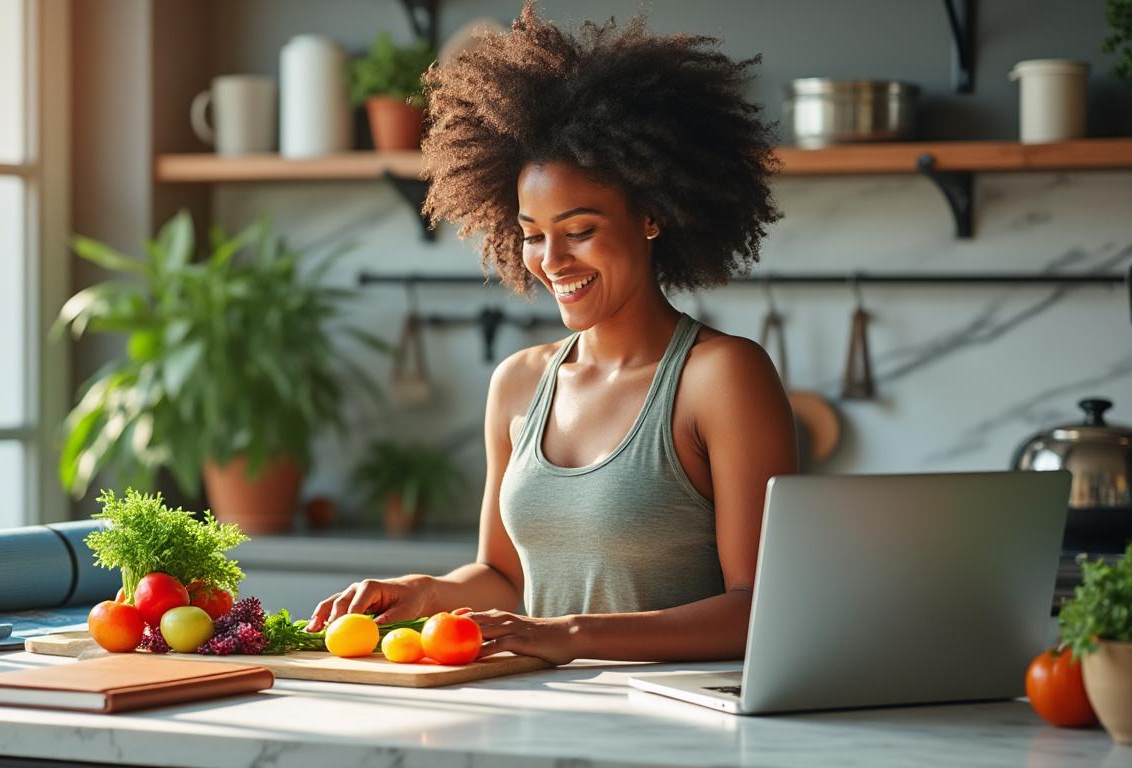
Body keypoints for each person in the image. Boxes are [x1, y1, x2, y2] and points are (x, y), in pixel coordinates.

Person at [305, 2, 798, 665]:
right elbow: (503, 577)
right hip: (538, 706)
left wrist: (569, 635)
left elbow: (757, 606)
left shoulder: (721, 377)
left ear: (651, 216)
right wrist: (426, 590)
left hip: (679, 713)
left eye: (580, 230)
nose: (552, 260)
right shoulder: (518, 382)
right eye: (532, 235)